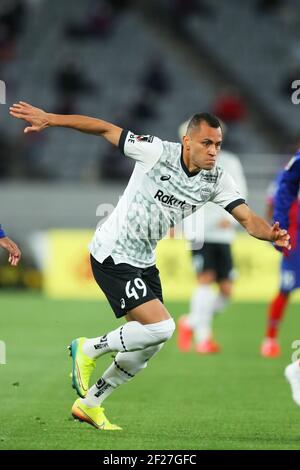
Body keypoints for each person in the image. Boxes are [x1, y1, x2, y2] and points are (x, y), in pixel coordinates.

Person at [10, 102, 290, 431]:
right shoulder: (156, 151)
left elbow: (247, 218)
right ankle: (86, 348)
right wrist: (51, 119)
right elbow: (104, 128)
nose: (213, 151)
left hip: (143, 259)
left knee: (149, 344)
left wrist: (269, 232)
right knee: (162, 327)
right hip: (112, 251)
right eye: (206, 143)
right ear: (187, 141)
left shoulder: (217, 180)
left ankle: (90, 404)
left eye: (218, 145)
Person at [177, 120, 247, 353]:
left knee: (226, 290)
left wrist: (235, 217)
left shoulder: (230, 162)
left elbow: (240, 192)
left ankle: (190, 322)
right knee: (205, 280)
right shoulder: (185, 163)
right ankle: (204, 339)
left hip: (224, 233)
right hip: (200, 232)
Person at [261, 153, 300, 357]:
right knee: (285, 290)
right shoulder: (291, 169)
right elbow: (273, 201)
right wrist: (274, 232)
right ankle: (270, 339)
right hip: (296, 240)